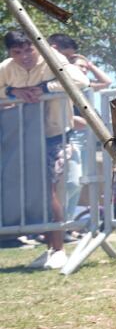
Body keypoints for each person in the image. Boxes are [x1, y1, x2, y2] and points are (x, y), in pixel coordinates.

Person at [0, 30, 89, 269]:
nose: (24, 56)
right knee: (37, 192)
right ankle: (50, 248)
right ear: (10, 53)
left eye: (28, 49)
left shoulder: (53, 58)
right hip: (23, 139)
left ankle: (58, 249)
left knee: (52, 189)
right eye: (17, 52)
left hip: (55, 136)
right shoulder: (6, 68)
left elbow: (81, 80)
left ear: (36, 47)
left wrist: (45, 89)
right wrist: (11, 92)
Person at [47, 33, 111, 222]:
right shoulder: (64, 83)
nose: (84, 70)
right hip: (71, 136)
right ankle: (58, 224)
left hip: (86, 138)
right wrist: (77, 121)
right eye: (79, 67)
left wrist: (88, 64)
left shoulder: (85, 85)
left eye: (85, 68)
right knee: (70, 182)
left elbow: (107, 82)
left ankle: (65, 224)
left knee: (79, 181)